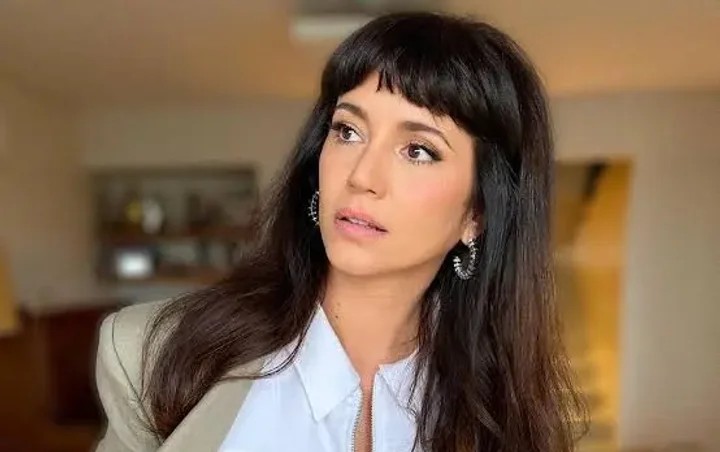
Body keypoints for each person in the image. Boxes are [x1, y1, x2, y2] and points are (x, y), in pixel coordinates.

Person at [94, 11, 586, 452]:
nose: (361, 176)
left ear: (476, 213)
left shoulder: (510, 417)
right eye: (348, 131)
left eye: (418, 150)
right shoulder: (152, 356)